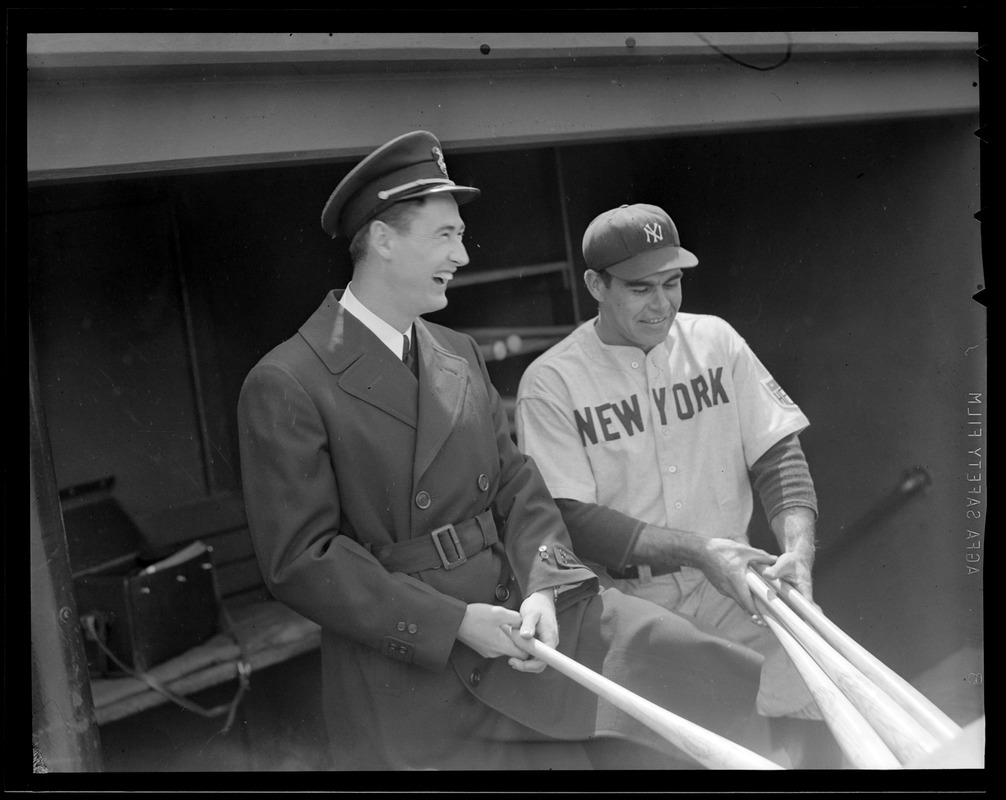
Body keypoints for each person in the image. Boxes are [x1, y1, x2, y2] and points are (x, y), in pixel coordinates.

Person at [237, 132, 780, 772]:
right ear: (383, 240)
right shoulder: (288, 380)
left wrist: (545, 587)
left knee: (705, 672)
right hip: (415, 659)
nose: (462, 255)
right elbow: (301, 561)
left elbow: (518, 485)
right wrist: (454, 624)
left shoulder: (455, 351)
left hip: (521, 618)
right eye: (444, 236)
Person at [514, 203, 831, 757]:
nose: (662, 304)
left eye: (673, 282)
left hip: (735, 586)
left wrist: (798, 553)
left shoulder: (716, 341)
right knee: (672, 757)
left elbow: (778, 455)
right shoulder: (552, 381)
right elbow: (572, 519)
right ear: (596, 284)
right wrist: (701, 551)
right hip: (632, 598)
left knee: (800, 729)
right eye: (640, 288)